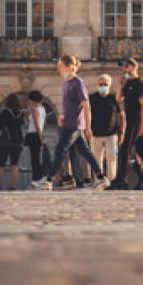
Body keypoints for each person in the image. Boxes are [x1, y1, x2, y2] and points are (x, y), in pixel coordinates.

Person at [34, 55, 107, 190]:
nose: (58, 70)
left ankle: (48, 179)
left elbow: (86, 105)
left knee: (60, 150)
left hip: (74, 124)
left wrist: (88, 127)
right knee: (85, 152)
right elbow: (69, 104)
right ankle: (102, 177)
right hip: (69, 121)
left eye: (60, 66)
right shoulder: (67, 82)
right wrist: (62, 114)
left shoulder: (78, 82)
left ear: (69, 66)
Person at [116, 58, 143, 190]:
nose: (123, 70)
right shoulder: (128, 83)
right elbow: (118, 98)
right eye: (123, 67)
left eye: (125, 67)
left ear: (133, 67)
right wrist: (120, 84)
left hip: (136, 121)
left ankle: (120, 181)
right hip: (130, 121)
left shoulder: (139, 84)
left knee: (125, 150)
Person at [87, 73, 124, 185]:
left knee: (112, 156)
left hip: (111, 134)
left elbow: (122, 115)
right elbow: (86, 114)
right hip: (96, 133)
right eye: (101, 84)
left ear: (109, 85)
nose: (103, 86)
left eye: (105, 84)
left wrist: (121, 132)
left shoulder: (114, 98)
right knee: (96, 158)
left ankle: (112, 180)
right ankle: (98, 179)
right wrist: (87, 128)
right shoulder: (92, 98)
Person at [0, 94, 26, 190]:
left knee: (1, 164)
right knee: (14, 163)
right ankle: (12, 185)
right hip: (17, 142)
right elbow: (23, 125)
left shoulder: (5, 112)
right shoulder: (21, 113)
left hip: (5, 142)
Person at [24, 90, 47, 186]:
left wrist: (40, 138)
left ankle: (37, 177)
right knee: (36, 157)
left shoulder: (35, 109)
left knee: (35, 158)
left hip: (34, 134)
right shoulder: (42, 108)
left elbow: (37, 125)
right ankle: (39, 177)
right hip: (38, 134)